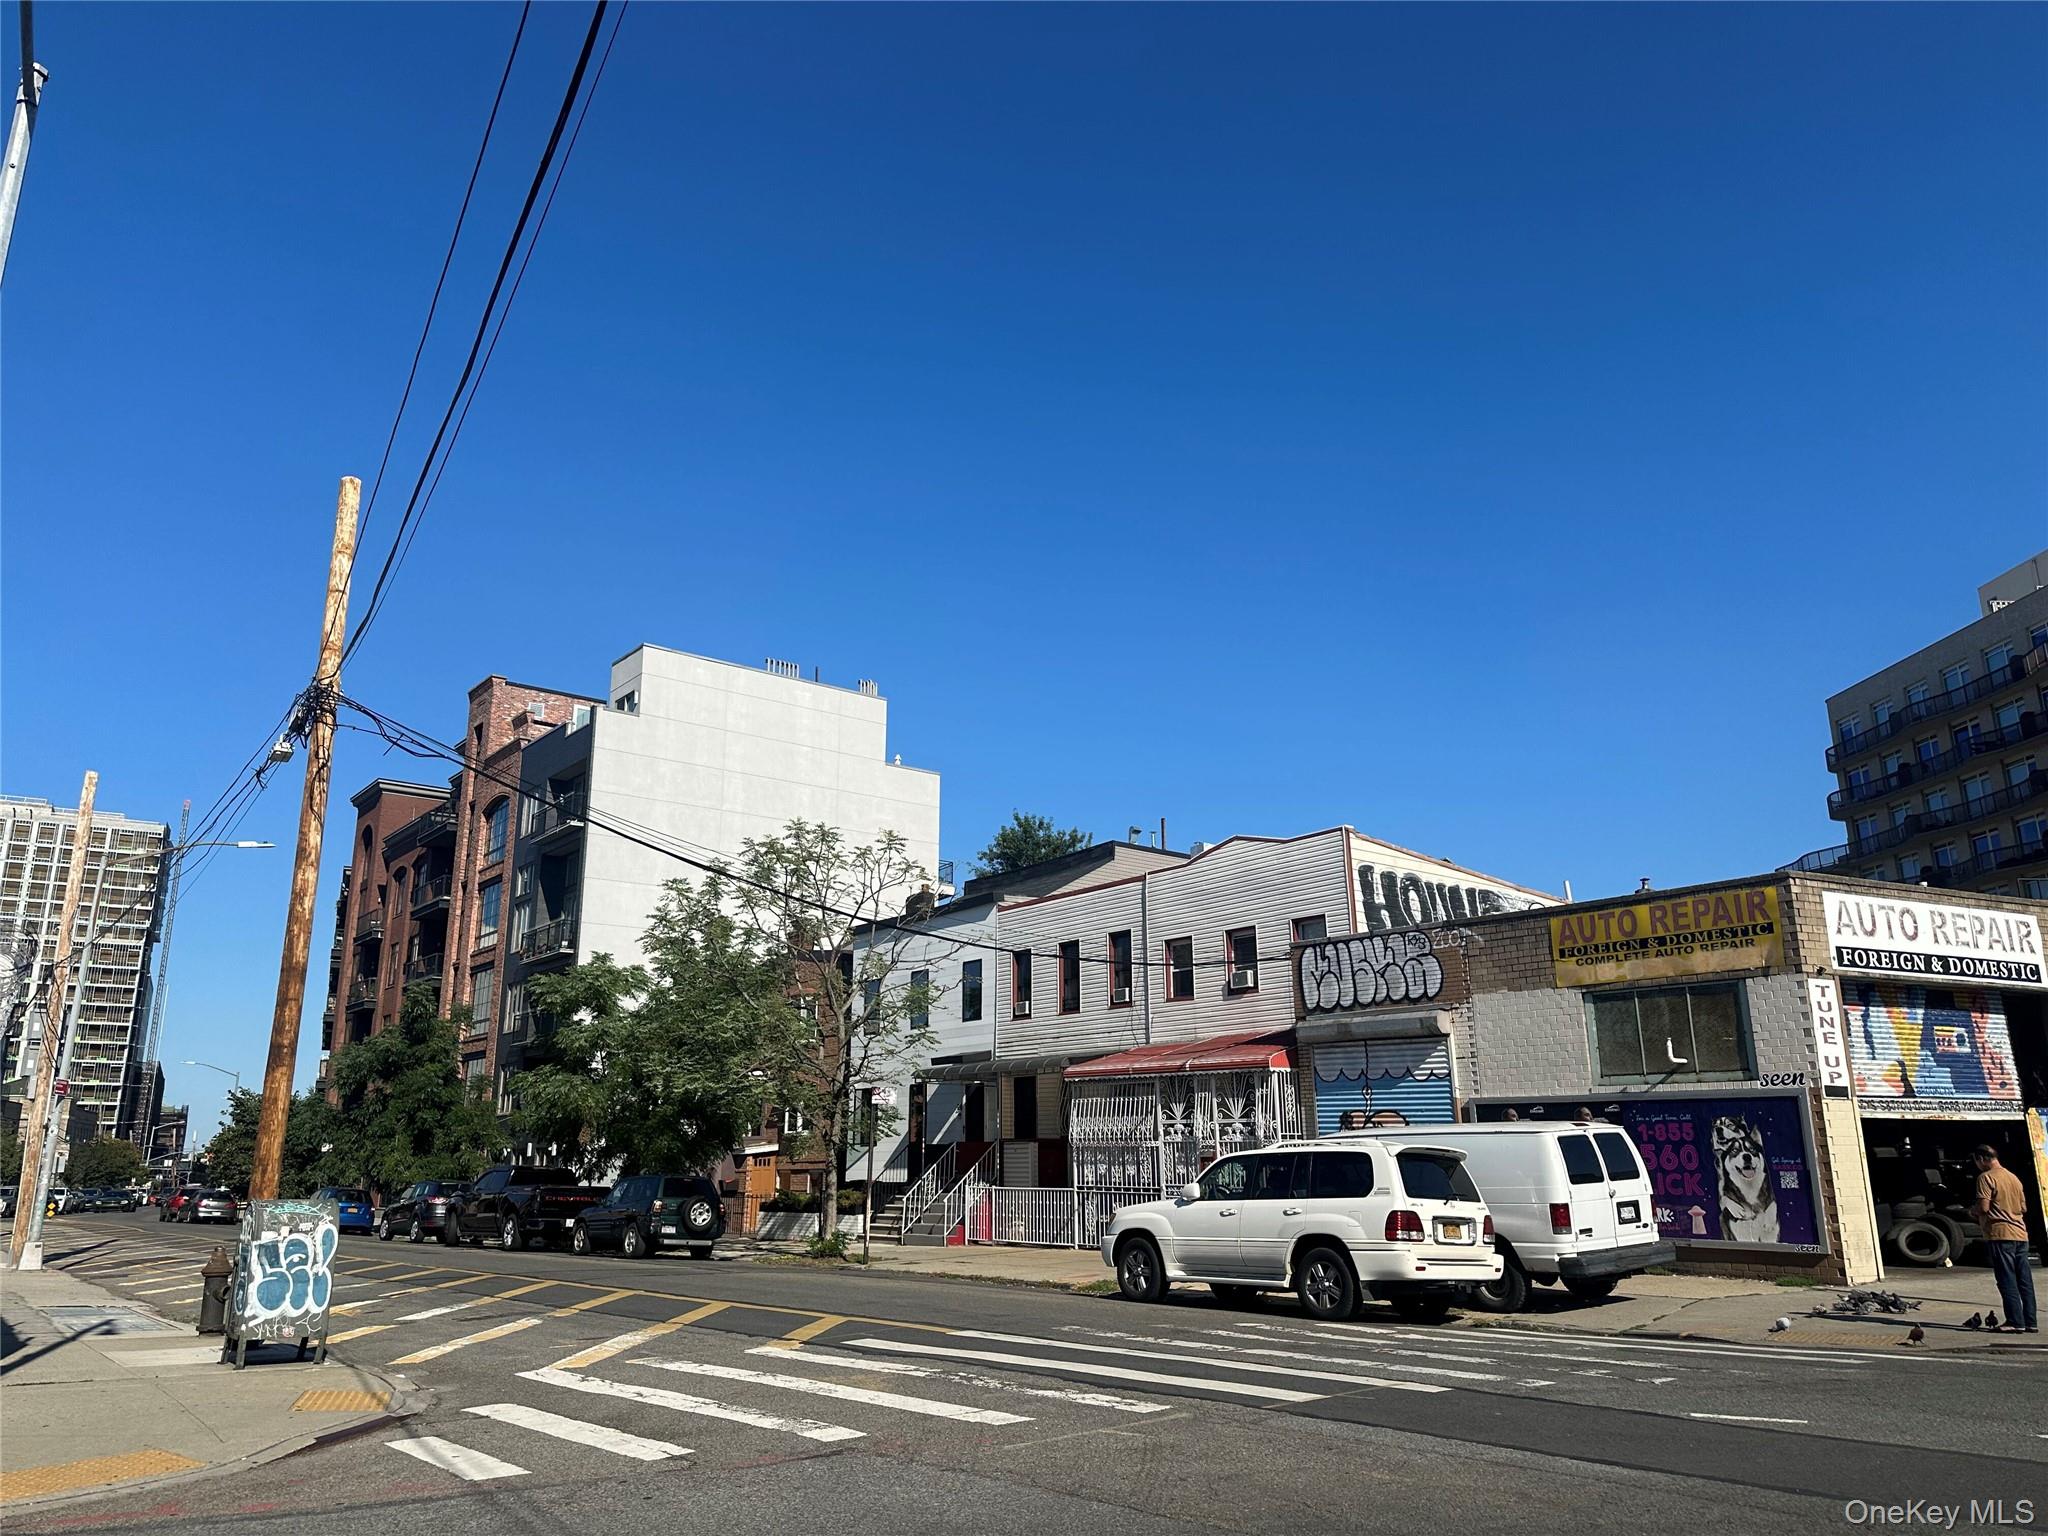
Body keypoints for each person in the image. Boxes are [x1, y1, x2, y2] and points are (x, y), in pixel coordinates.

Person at [1970, 1144, 2037, 1334]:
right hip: (2021, 1234)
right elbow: (2023, 1208)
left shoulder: (1985, 1177)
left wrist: (1972, 1211)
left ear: (1982, 1159)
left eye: (1976, 1161)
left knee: (2006, 1279)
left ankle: (2015, 1321)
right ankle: (2031, 1321)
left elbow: (1983, 1207)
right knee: (2024, 1280)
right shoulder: (2013, 1178)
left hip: (2001, 1234)